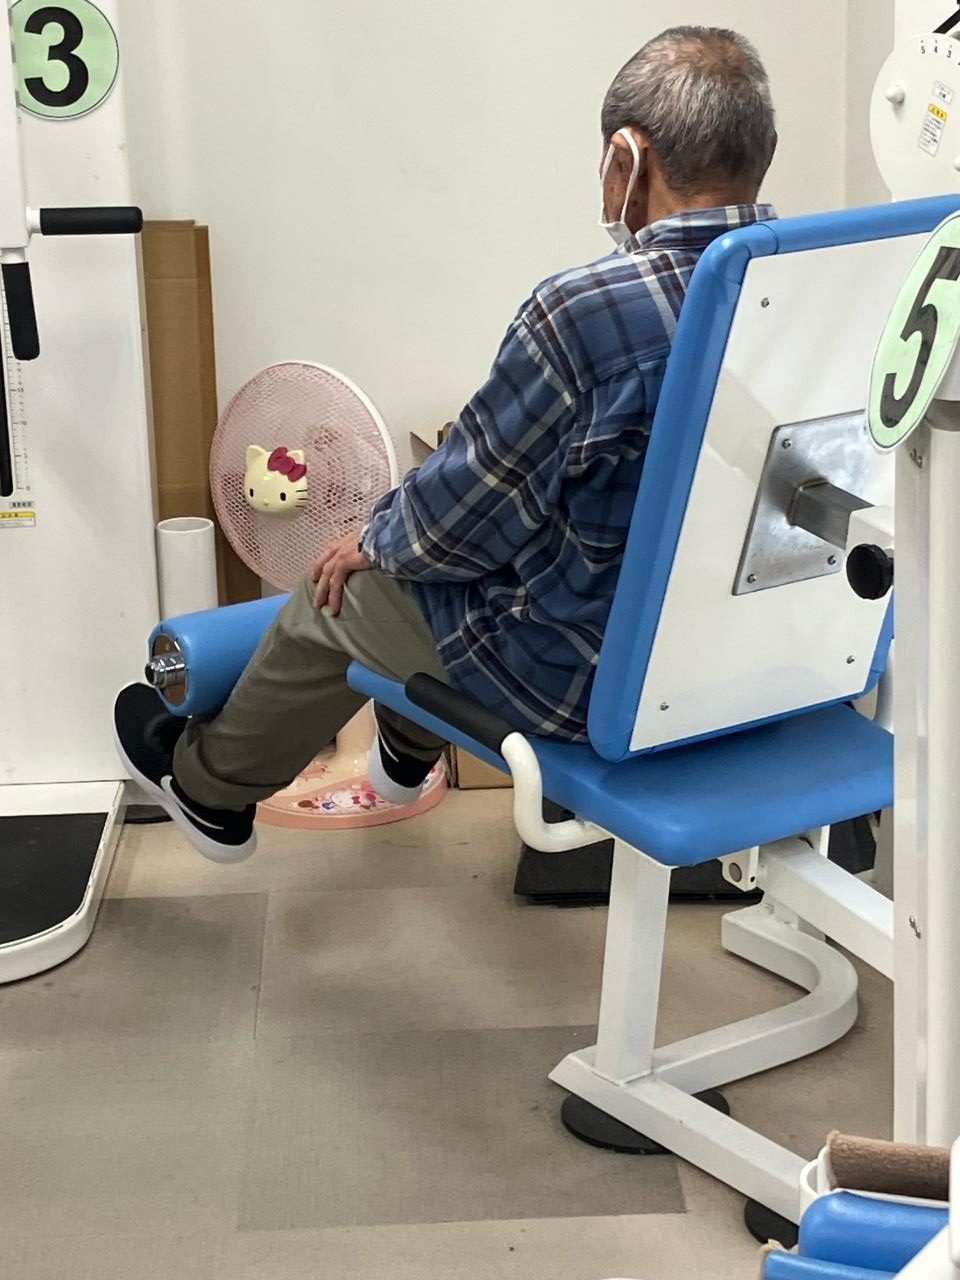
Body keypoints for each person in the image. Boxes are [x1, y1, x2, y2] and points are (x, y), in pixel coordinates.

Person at [115, 25, 778, 862]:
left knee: (346, 587)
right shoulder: (820, 287)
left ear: (626, 158)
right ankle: (406, 749)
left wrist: (371, 535)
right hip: (749, 668)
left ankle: (208, 788)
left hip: (592, 684)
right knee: (504, 530)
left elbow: (453, 524)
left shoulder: (587, 312)